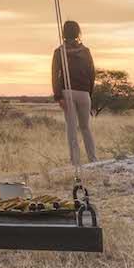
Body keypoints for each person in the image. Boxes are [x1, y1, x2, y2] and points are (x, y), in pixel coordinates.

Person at [51, 20, 96, 166]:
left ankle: (75, 161)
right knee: (85, 127)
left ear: (64, 33)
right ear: (78, 32)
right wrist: (90, 93)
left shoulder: (59, 52)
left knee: (71, 128)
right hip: (84, 92)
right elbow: (92, 73)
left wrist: (58, 96)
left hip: (68, 92)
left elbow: (55, 75)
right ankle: (92, 159)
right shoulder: (86, 51)